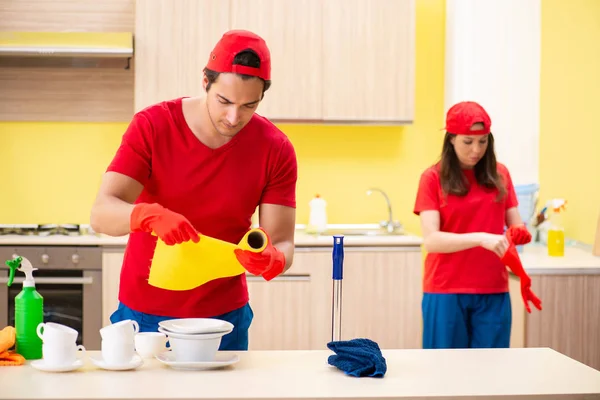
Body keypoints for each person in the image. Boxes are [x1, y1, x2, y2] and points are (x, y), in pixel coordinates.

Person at [89, 30, 298, 351]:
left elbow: (281, 240)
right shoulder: (153, 126)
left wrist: (273, 260)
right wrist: (147, 215)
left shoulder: (275, 148)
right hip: (144, 314)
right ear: (205, 81)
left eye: (248, 106)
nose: (233, 117)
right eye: (224, 101)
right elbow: (102, 214)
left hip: (224, 318)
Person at [413, 101, 534, 349]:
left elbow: (515, 222)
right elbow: (432, 240)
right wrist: (481, 238)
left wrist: (519, 232)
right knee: (444, 372)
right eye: (468, 142)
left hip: (493, 289)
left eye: (483, 141)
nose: (476, 150)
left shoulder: (501, 175)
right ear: (451, 140)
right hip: (445, 291)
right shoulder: (432, 178)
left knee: (491, 375)